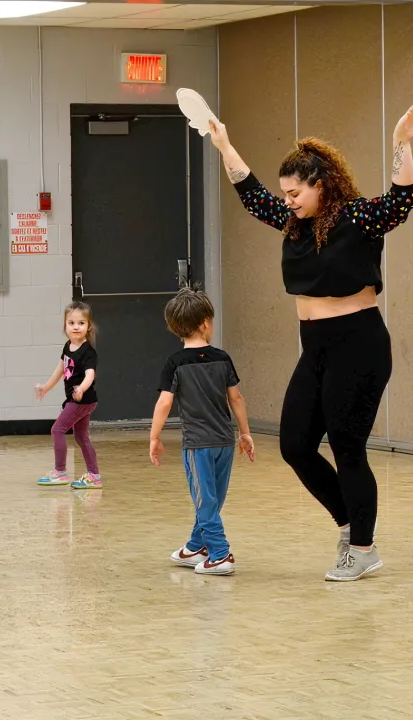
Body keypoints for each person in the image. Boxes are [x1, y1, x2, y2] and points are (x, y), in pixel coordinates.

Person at [209, 103, 413, 581]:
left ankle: (362, 548)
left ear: (321, 185)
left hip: (359, 343)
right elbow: (251, 193)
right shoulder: (293, 224)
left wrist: (402, 139)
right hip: (315, 345)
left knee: (347, 445)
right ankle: (351, 525)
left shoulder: (361, 218)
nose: (289, 200)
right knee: (296, 444)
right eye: (286, 193)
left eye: (296, 192)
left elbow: (402, 197)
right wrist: (223, 143)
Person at [150, 287, 254, 576]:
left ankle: (220, 553)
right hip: (225, 441)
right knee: (213, 497)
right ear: (206, 322)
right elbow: (236, 398)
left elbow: (164, 402)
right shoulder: (223, 358)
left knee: (204, 497)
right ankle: (197, 545)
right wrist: (245, 433)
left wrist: (154, 437)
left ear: (175, 328)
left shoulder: (176, 363)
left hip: (198, 445)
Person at [35, 301, 101, 490]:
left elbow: (90, 375)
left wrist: (81, 388)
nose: (76, 327)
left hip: (82, 399)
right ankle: (94, 475)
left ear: (88, 326)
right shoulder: (67, 346)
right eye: (71, 323)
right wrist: (46, 387)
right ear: (65, 326)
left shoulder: (88, 352)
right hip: (78, 399)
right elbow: (61, 369)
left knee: (57, 429)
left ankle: (60, 472)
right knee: (81, 436)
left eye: (81, 323)